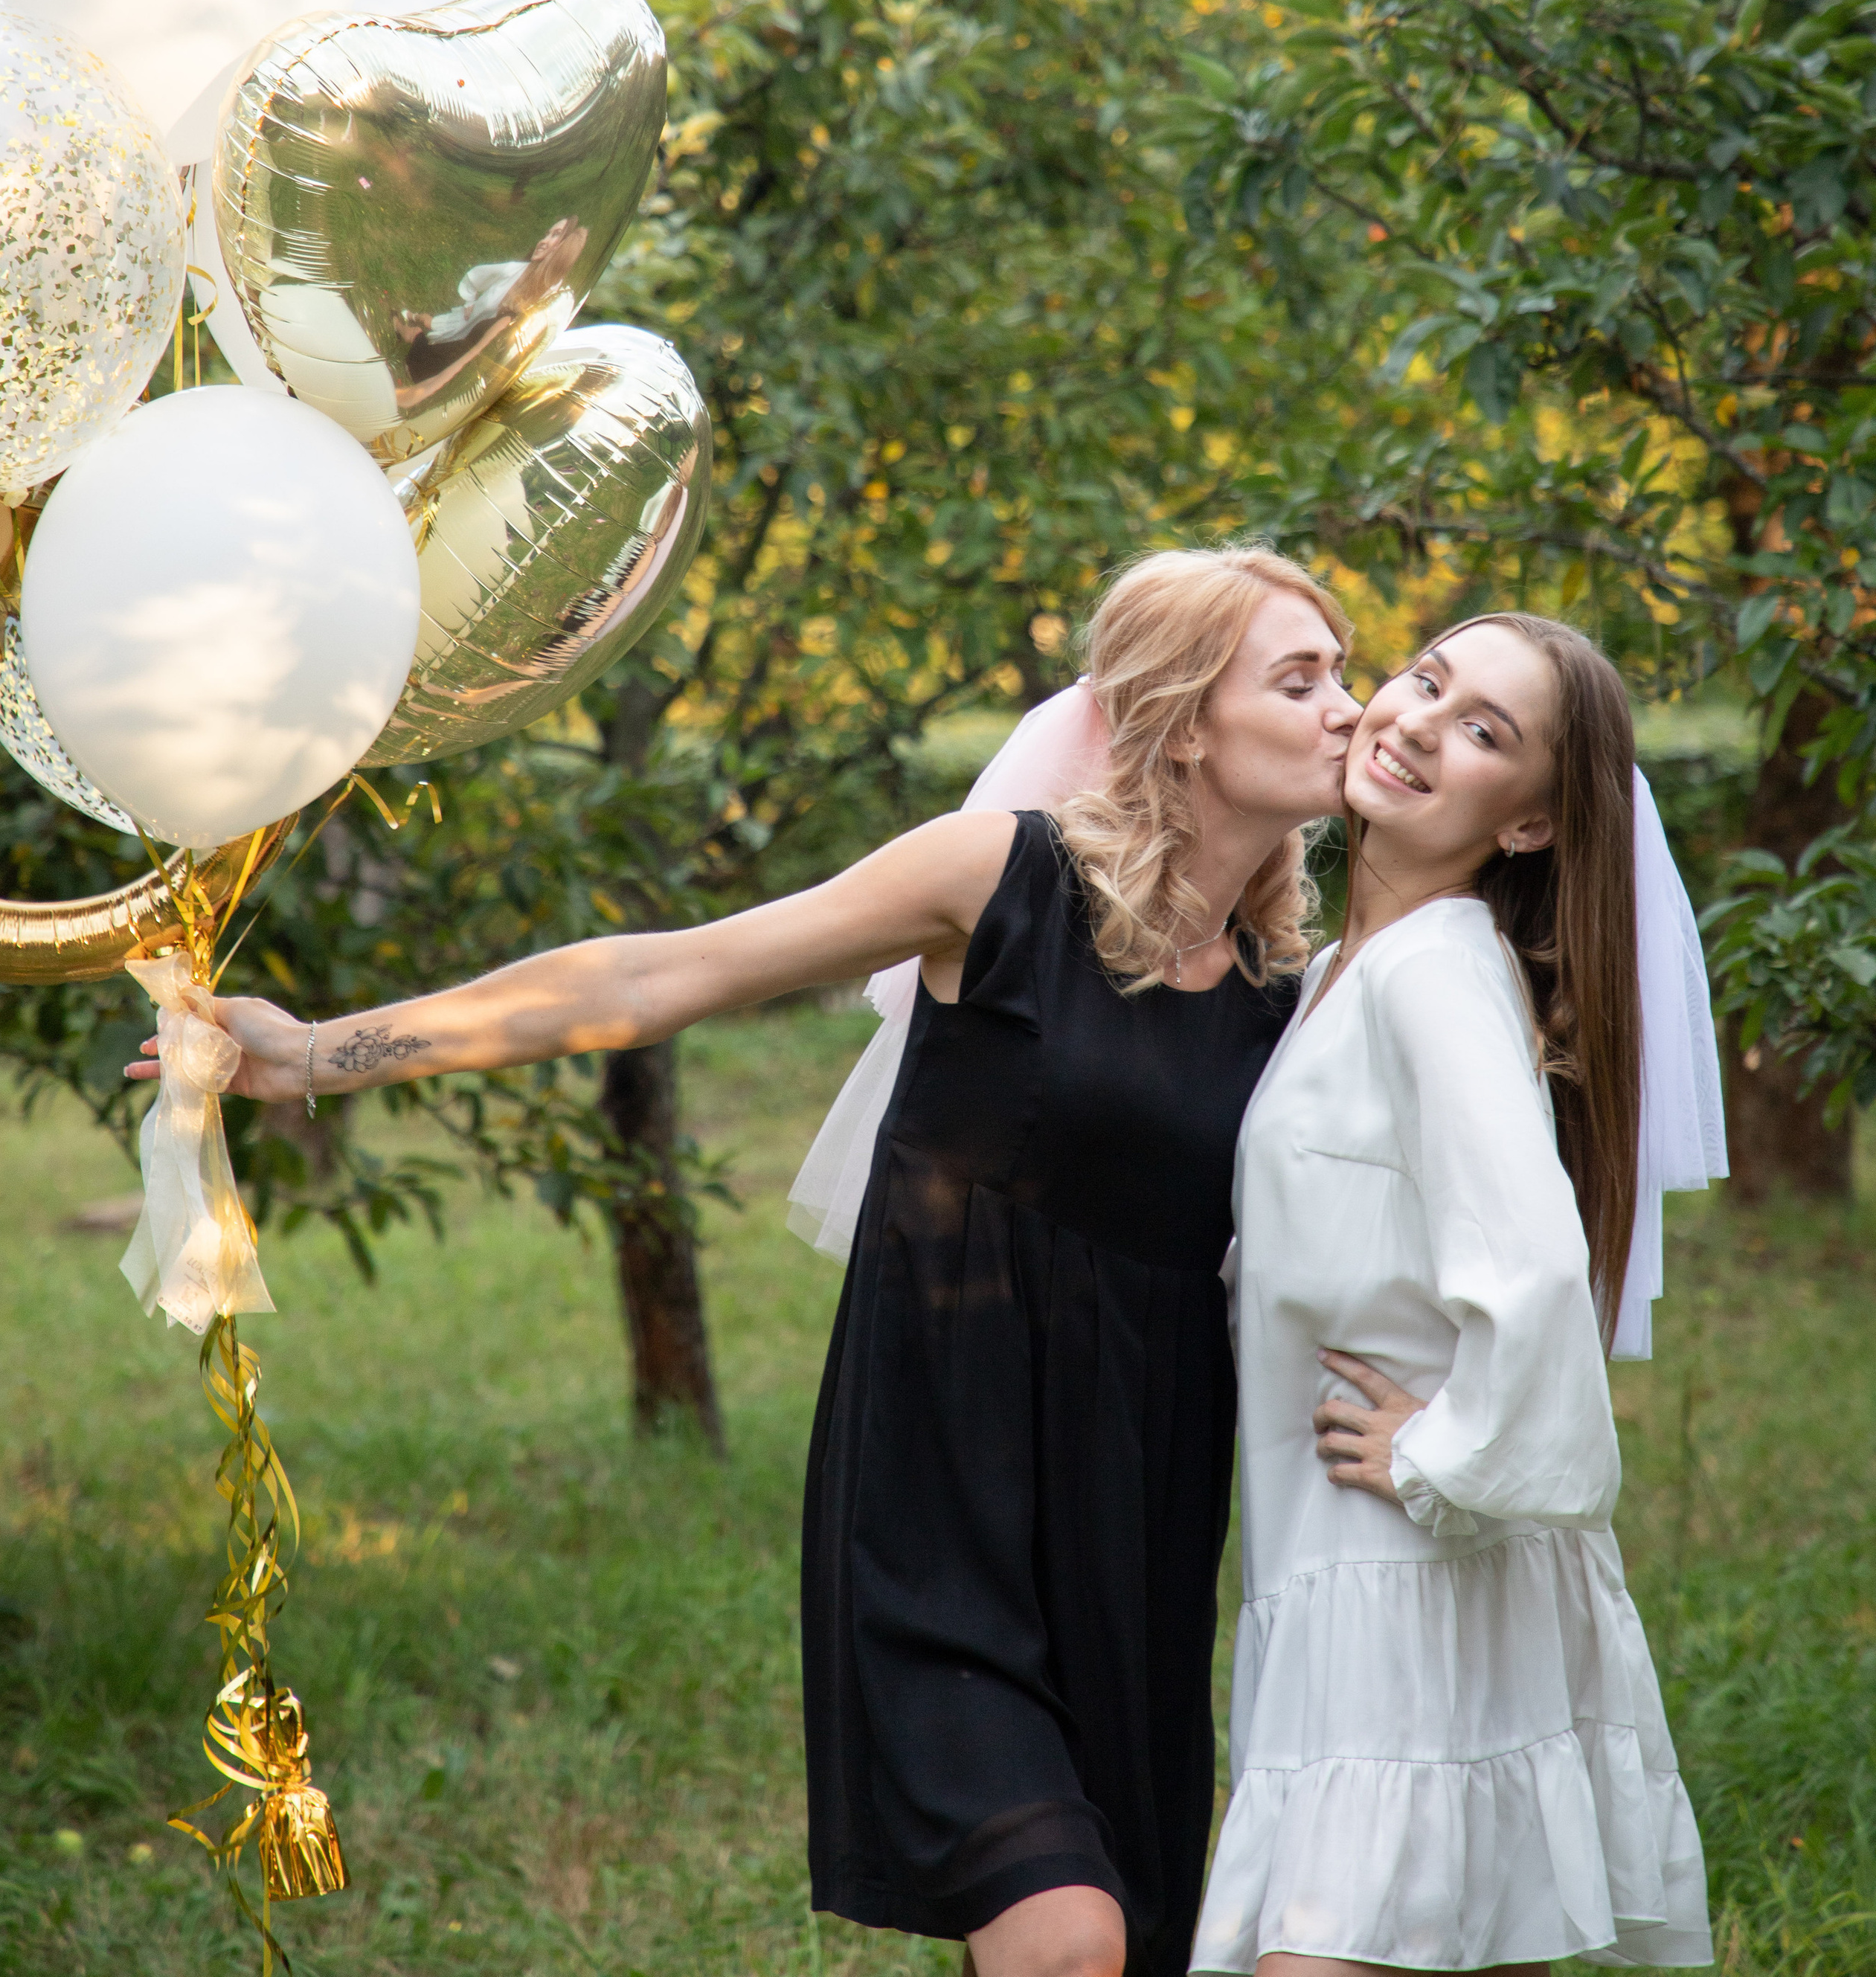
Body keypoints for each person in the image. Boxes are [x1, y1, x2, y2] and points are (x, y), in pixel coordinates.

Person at [130, 544, 1363, 1977]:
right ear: (1187, 719)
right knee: (1067, 1935)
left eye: (1343, 672)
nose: (1352, 705)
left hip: (1135, 1507)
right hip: (941, 1488)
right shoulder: (1002, 887)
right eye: (1302, 677)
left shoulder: (1292, 997)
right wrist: (326, 1054)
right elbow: (660, 976)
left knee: (1123, 1933)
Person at [1192, 614, 1715, 1977]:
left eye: (1485, 731)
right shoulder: (1336, 975)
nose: (1421, 721)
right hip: (1358, 1563)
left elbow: (1536, 1266)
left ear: (1533, 824)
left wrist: (1443, 1451)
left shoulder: (1433, 972)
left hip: (1407, 1569)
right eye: (1426, 680)